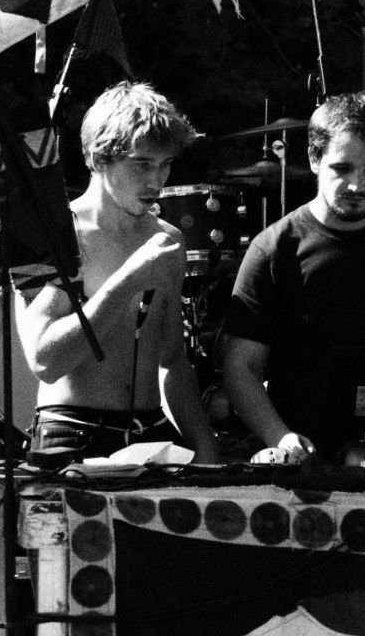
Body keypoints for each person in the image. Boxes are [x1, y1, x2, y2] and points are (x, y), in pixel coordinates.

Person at [220, 92, 365, 463]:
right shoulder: (274, 248)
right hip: (306, 458)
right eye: (343, 168)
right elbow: (240, 367)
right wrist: (280, 437)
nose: (357, 185)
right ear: (315, 159)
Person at [14, 81, 221, 463]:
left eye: (165, 164)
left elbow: (172, 360)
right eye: (142, 164)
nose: (156, 181)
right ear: (101, 158)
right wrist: (128, 281)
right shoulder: (52, 234)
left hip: (150, 433)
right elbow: (44, 361)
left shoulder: (168, 239)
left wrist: (206, 447)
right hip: (73, 432)